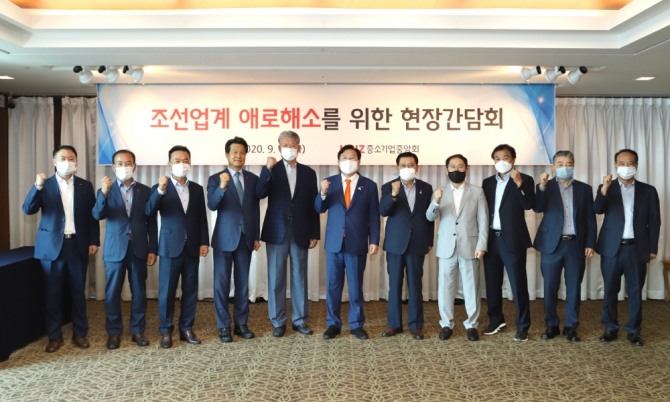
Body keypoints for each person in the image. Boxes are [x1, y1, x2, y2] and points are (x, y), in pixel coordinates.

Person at [22, 145, 100, 353]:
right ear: (54, 162)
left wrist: (94, 241)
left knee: (78, 293)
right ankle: (54, 336)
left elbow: (92, 216)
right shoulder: (45, 185)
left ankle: (80, 333)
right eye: (63, 158)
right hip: (52, 248)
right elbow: (28, 209)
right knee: (53, 295)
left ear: (76, 161)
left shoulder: (85, 185)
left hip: (77, 245)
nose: (68, 162)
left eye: (71, 158)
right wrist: (37, 186)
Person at [256, 131, 320, 337]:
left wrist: (314, 232)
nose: (289, 148)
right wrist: (266, 169)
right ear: (279, 148)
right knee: (276, 277)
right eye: (285, 145)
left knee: (300, 277)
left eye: (293, 145)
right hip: (277, 230)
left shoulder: (309, 173)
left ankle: (300, 320)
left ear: (299, 147)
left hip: (301, 230)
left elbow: (313, 205)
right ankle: (278, 321)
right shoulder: (272, 170)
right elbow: (259, 193)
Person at [594, 149, 661, 347]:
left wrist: (652, 248)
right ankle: (610, 328)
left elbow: (654, 221)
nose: (626, 167)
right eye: (622, 163)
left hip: (637, 248)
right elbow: (597, 209)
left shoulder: (648, 191)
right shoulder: (606, 188)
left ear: (636, 166)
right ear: (615, 166)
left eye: (630, 163)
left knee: (635, 292)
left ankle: (633, 331)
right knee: (610, 290)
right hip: (611, 249)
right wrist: (604, 190)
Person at [92, 149, 158, 349]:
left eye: (128, 163)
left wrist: (153, 248)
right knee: (112, 293)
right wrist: (104, 193)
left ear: (134, 166)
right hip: (115, 249)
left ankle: (137, 330)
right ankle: (114, 332)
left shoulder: (145, 191)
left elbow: (151, 221)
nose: (124, 167)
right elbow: (97, 215)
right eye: (120, 164)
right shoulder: (106, 189)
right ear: (113, 167)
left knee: (139, 291)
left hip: (138, 248)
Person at [146, 145, 209, 349]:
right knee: (167, 292)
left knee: (190, 291)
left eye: (185, 160)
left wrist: (204, 241)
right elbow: (149, 211)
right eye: (177, 160)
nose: (182, 164)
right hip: (169, 247)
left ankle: (186, 328)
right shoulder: (160, 187)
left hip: (192, 247)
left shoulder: (197, 189)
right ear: (169, 164)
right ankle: (166, 331)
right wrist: (160, 191)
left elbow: (201, 218)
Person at [315, 144, 380, 340]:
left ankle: (356, 324)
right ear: (338, 161)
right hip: (334, 243)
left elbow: (374, 216)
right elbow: (319, 208)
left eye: (352, 157)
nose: (349, 161)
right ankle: (333, 324)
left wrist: (374, 239)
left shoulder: (369, 185)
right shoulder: (330, 182)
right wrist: (323, 193)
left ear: (359, 161)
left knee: (355, 286)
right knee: (333, 286)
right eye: (345, 157)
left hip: (357, 242)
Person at [533, 150, 596, 343]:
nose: (564, 167)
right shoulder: (545, 186)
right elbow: (538, 207)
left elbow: (590, 219)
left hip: (575, 244)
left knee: (574, 287)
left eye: (568, 164)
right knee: (550, 287)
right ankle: (551, 324)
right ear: (554, 167)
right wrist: (542, 187)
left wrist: (590, 243)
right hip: (552, 244)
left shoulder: (584, 189)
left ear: (573, 165)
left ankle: (571, 326)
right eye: (560, 164)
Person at [426, 154, 488, 342]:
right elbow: (430, 217)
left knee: (471, 288)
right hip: (447, 247)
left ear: (466, 169)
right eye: (452, 166)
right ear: (446, 170)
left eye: (460, 166)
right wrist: (436, 201)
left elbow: (483, 220)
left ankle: (472, 325)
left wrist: (482, 245)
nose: (456, 170)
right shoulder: (439, 192)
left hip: (470, 246)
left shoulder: (477, 192)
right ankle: (446, 324)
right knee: (445, 288)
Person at [207, 136, 261, 343]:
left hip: (245, 239)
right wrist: (222, 187)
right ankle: (223, 326)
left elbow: (254, 210)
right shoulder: (215, 179)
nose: (238, 155)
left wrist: (255, 236)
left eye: (242, 152)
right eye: (234, 152)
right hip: (224, 239)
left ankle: (241, 324)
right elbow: (212, 205)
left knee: (242, 284)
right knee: (221, 284)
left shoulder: (252, 179)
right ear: (227, 155)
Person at [481, 144, 535, 341]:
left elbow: (528, 204)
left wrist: (519, 184)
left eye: (505, 157)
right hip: (491, 239)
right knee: (492, 283)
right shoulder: (487, 183)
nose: (501, 161)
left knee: (518, 284)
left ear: (513, 159)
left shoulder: (525, 179)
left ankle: (523, 325)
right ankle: (496, 320)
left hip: (512, 239)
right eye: (497, 158)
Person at [379, 152, 434, 340]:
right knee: (394, 284)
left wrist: (429, 240)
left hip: (417, 242)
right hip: (395, 244)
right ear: (397, 167)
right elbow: (383, 211)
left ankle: (416, 325)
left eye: (411, 165)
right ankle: (394, 324)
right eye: (403, 165)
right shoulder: (388, 187)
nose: (407, 168)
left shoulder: (426, 188)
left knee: (415, 285)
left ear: (417, 167)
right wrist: (393, 195)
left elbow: (429, 217)